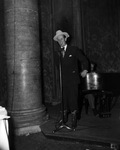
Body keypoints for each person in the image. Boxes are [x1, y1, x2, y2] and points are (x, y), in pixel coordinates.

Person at [53, 30, 89, 130]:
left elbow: (84, 60)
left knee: (73, 101)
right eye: (58, 40)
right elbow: (58, 67)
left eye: (61, 39)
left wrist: (85, 70)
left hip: (73, 80)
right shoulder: (57, 53)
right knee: (64, 101)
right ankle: (63, 120)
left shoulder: (73, 49)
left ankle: (74, 121)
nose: (60, 41)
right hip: (63, 81)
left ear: (65, 38)